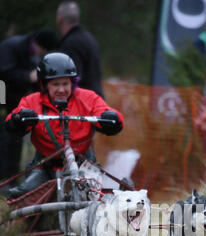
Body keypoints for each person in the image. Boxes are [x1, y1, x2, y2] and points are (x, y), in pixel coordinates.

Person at [5, 52, 123, 200]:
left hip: (83, 165)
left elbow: (109, 114)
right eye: (55, 84)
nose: (61, 90)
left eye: (65, 84)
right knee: (24, 195)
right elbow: (12, 120)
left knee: (96, 199)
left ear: (72, 83)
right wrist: (19, 119)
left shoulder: (88, 98)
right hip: (45, 166)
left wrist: (111, 118)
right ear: (44, 85)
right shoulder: (32, 101)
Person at [0, 29, 58, 182]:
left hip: (14, 98)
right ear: (41, 47)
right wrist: (27, 76)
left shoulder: (32, 53)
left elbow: (33, 80)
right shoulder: (12, 47)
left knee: (15, 136)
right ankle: (4, 176)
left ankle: (10, 177)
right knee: (3, 133)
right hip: (2, 92)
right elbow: (4, 73)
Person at [56, 1, 104, 97]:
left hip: (84, 104)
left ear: (60, 19)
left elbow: (74, 79)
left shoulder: (69, 44)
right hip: (97, 98)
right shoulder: (89, 38)